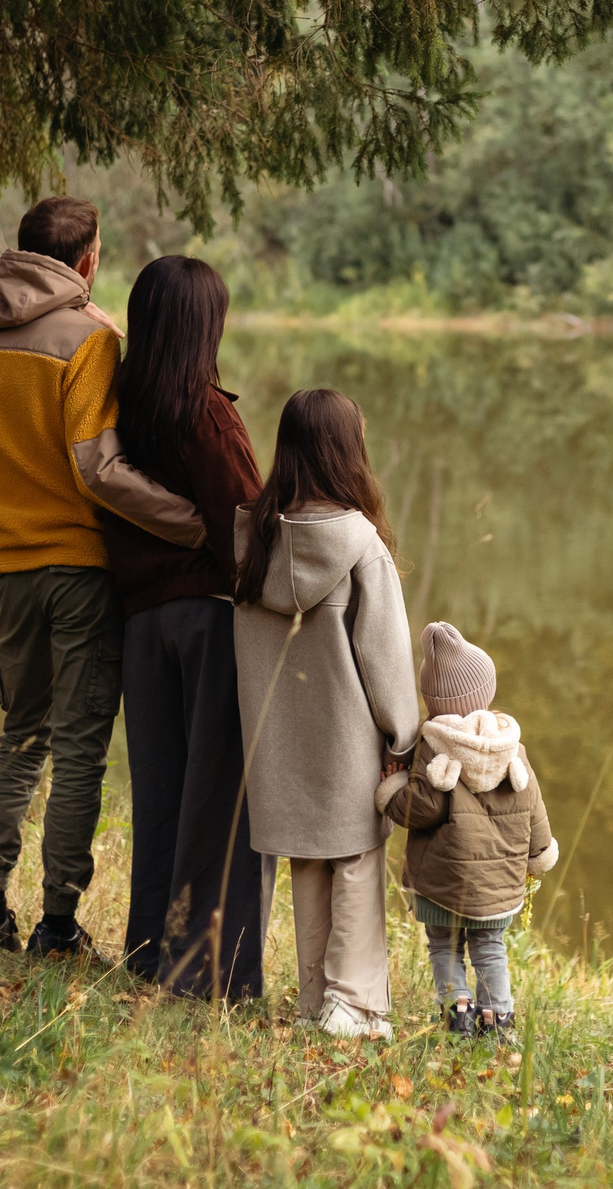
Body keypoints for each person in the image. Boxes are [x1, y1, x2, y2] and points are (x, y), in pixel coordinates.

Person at [0, 196, 205, 959]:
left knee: (21, 737)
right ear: (88, 260)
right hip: (77, 568)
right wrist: (190, 520)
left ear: (24, 251)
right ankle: (58, 924)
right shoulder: (90, 340)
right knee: (79, 748)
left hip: (5, 564)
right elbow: (98, 468)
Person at [231, 389, 421, 1039]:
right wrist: (403, 734)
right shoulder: (361, 545)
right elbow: (386, 654)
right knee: (358, 863)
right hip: (348, 742)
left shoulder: (253, 540)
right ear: (348, 453)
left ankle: (317, 998)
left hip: (278, 745)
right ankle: (356, 1002)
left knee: (309, 865)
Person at [102, 255, 264, 999]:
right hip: (206, 621)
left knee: (162, 794)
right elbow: (245, 522)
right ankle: (208, 972)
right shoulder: (204, 410)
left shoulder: (116, 402)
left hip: (140, 624)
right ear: (207, 327)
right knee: (219, 801)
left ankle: (150, 951)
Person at [378, 622, 558, 1036]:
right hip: (498, 886)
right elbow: (533, 806)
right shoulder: (513, 746)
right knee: (490, 949)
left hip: (444, 880)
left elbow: (422, 807)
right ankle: (498, 1019)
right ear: (486, 691)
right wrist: (539, 853)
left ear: (433, 701)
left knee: (444, 945)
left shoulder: (433, 745)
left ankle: (458, 1011)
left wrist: (390, 792)